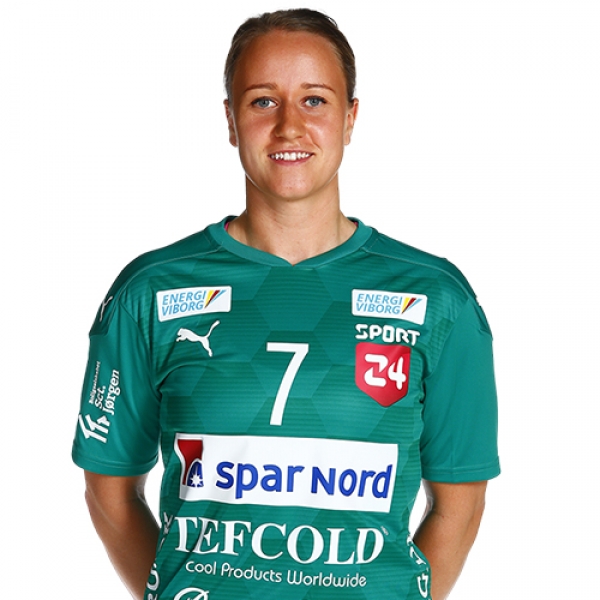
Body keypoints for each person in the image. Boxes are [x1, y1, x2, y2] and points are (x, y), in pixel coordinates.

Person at [72, 8, 500, 600]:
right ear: (231, 120)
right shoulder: (150, 291)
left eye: (315, 100)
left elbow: (461, 502)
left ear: (351, 118)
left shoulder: (437, 298)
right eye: (263, 101)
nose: (289, 126)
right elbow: (109, 490)